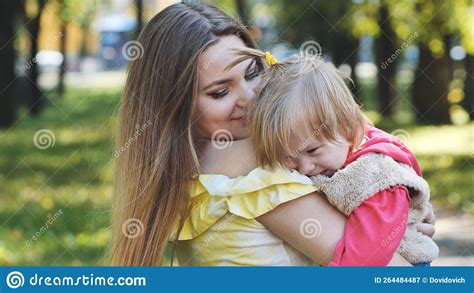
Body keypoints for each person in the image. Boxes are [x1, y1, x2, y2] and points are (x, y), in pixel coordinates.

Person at [110, 1, 435, 266]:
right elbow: (389, 274)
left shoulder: (180, 170)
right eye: (220, 92)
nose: (251, 100)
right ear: (174, 107)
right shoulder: (254, 163)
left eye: (253, 73)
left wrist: (391, 211)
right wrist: (397, 217)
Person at [228, 49, 438, 266]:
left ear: (351, 130)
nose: (305, 167)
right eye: (287, 157)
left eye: (312, 151)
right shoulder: (340, 146)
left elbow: (370, 256)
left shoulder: (376, 176)